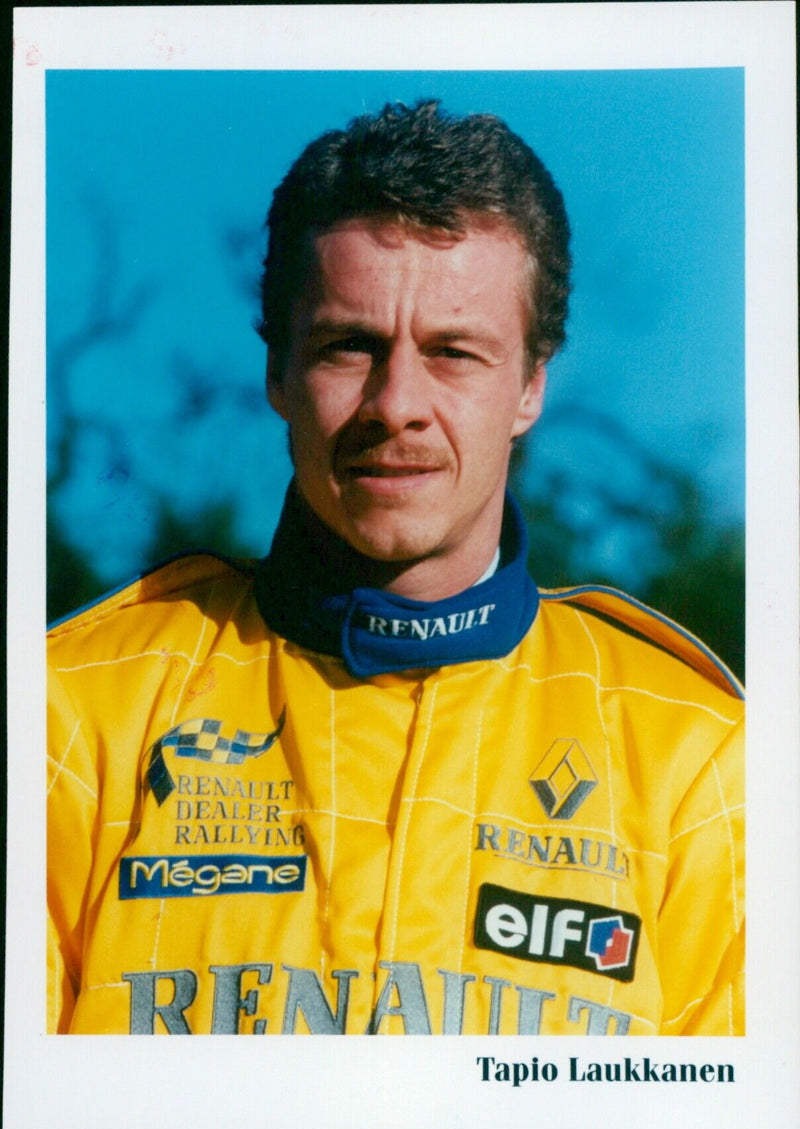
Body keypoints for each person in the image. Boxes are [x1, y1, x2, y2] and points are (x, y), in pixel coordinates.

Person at [47, 100, 744, 1036]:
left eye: (454, 353)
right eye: (349, 347)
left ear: (531, 384)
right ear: (277, 372)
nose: (396, 405)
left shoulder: (697, 753)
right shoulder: (72, 712)